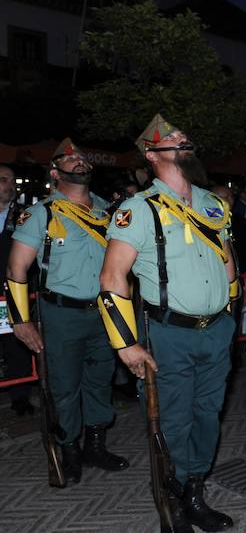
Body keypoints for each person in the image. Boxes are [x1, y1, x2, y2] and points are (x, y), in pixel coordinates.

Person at [98, 114, 236, 532]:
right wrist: (125, 344)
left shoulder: (213, 203)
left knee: (208, 415)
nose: (183, 141)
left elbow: (228, 262)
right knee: (172, 421)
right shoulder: (137, 210)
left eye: (184, 137)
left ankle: (195, 492)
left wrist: (230, 315)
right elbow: (111, 279)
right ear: (151, 154)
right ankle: (170, 500)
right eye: (172, 139)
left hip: (217, 330)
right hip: (168, 333)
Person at [5, 140, 129, 485]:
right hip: (61, 314)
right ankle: (69, 449)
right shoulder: (42, 213)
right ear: (55, 172)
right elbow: (16, 269)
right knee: (63, 386)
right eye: (69, 159)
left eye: (82, 157)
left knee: (100, 379)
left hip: (106, 312)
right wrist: (21, 321)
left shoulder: (110, 212)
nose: (79, 161)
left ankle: (95, 445)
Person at [0, 164, 35, 415]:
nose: (10, 185)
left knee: (16, 341)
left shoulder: (25, 215)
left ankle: (20, 396)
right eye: (3, 179)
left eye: (12, 180)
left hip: (13, 291)